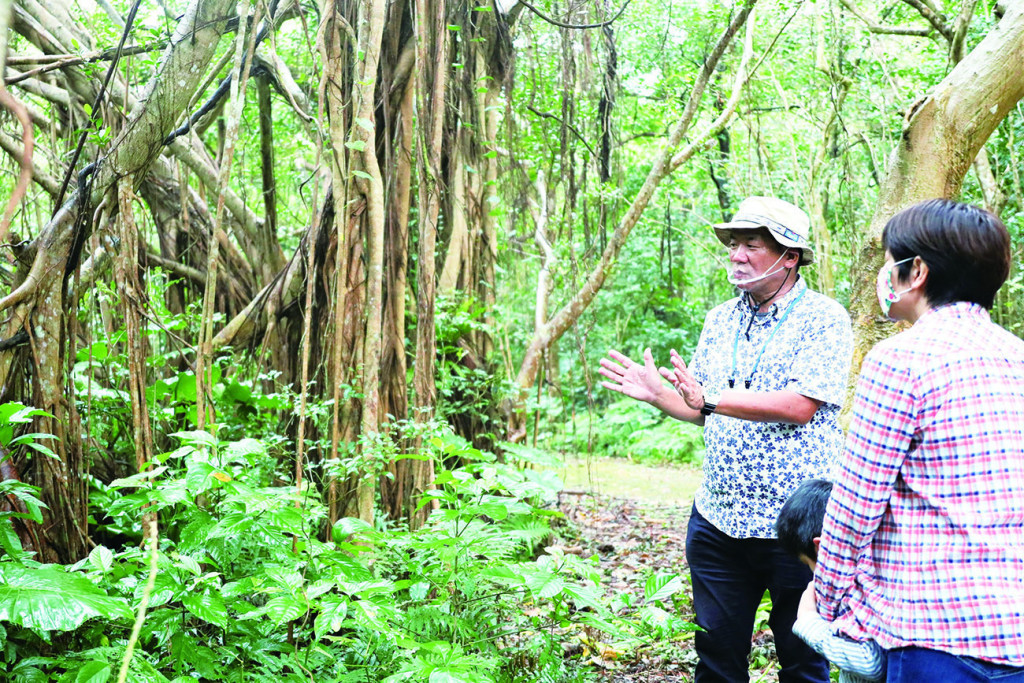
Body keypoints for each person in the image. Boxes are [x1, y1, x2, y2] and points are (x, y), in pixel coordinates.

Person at [599, 196, 853, 682]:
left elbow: (801, 405)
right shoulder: (720, 319)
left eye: (751, 244)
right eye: (734, 244)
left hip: (796, 527)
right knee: (716, 658)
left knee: (803, 659)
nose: (736, 254)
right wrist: (658, 396)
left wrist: (709, 399)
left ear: (790, 255)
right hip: (718, 521)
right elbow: (702, 410)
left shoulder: (824, 318)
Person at [814, 199, 1024, 682]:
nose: (883, 274)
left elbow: (855, 503)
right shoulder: (1016, 356)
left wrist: (825, 602)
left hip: (935, 635)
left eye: (890, 262)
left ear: (917, 272)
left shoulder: (899, 361)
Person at [776, 478, 884, 683]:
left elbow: (871, 663)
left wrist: (808, 622)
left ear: (820, 547)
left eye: (808, 563)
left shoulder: (864, 586)